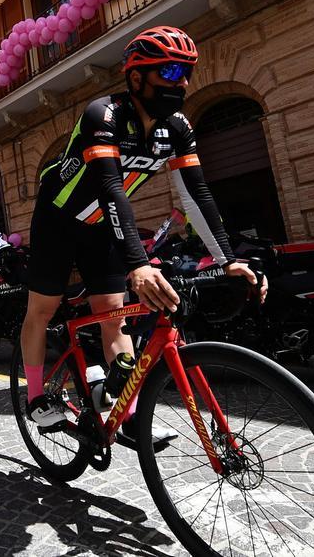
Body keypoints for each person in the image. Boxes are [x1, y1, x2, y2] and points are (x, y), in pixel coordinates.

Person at [19, 26, 265, 449]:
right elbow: (110, 188)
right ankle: (36, 395)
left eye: (187, 72)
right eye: (171, 71)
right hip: (58, 220)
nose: (183, 82)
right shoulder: (105, 114)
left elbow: (196, 195)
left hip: (101, 227)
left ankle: (128, 415)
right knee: (42, 310)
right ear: (137, 78)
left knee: (115, 316)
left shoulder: (179, 127)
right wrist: (138, 265)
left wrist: (227, 259)